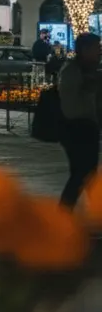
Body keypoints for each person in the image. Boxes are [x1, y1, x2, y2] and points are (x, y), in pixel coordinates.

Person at [56, 32, 101, 208]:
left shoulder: (89, 70)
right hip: (76, 128)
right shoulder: (72, 71)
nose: (99, 52)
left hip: (86, 126)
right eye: (96, 48)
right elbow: (72, 103)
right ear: (84, 50)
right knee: (83, 173)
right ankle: (64, 212)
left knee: (86, 173)